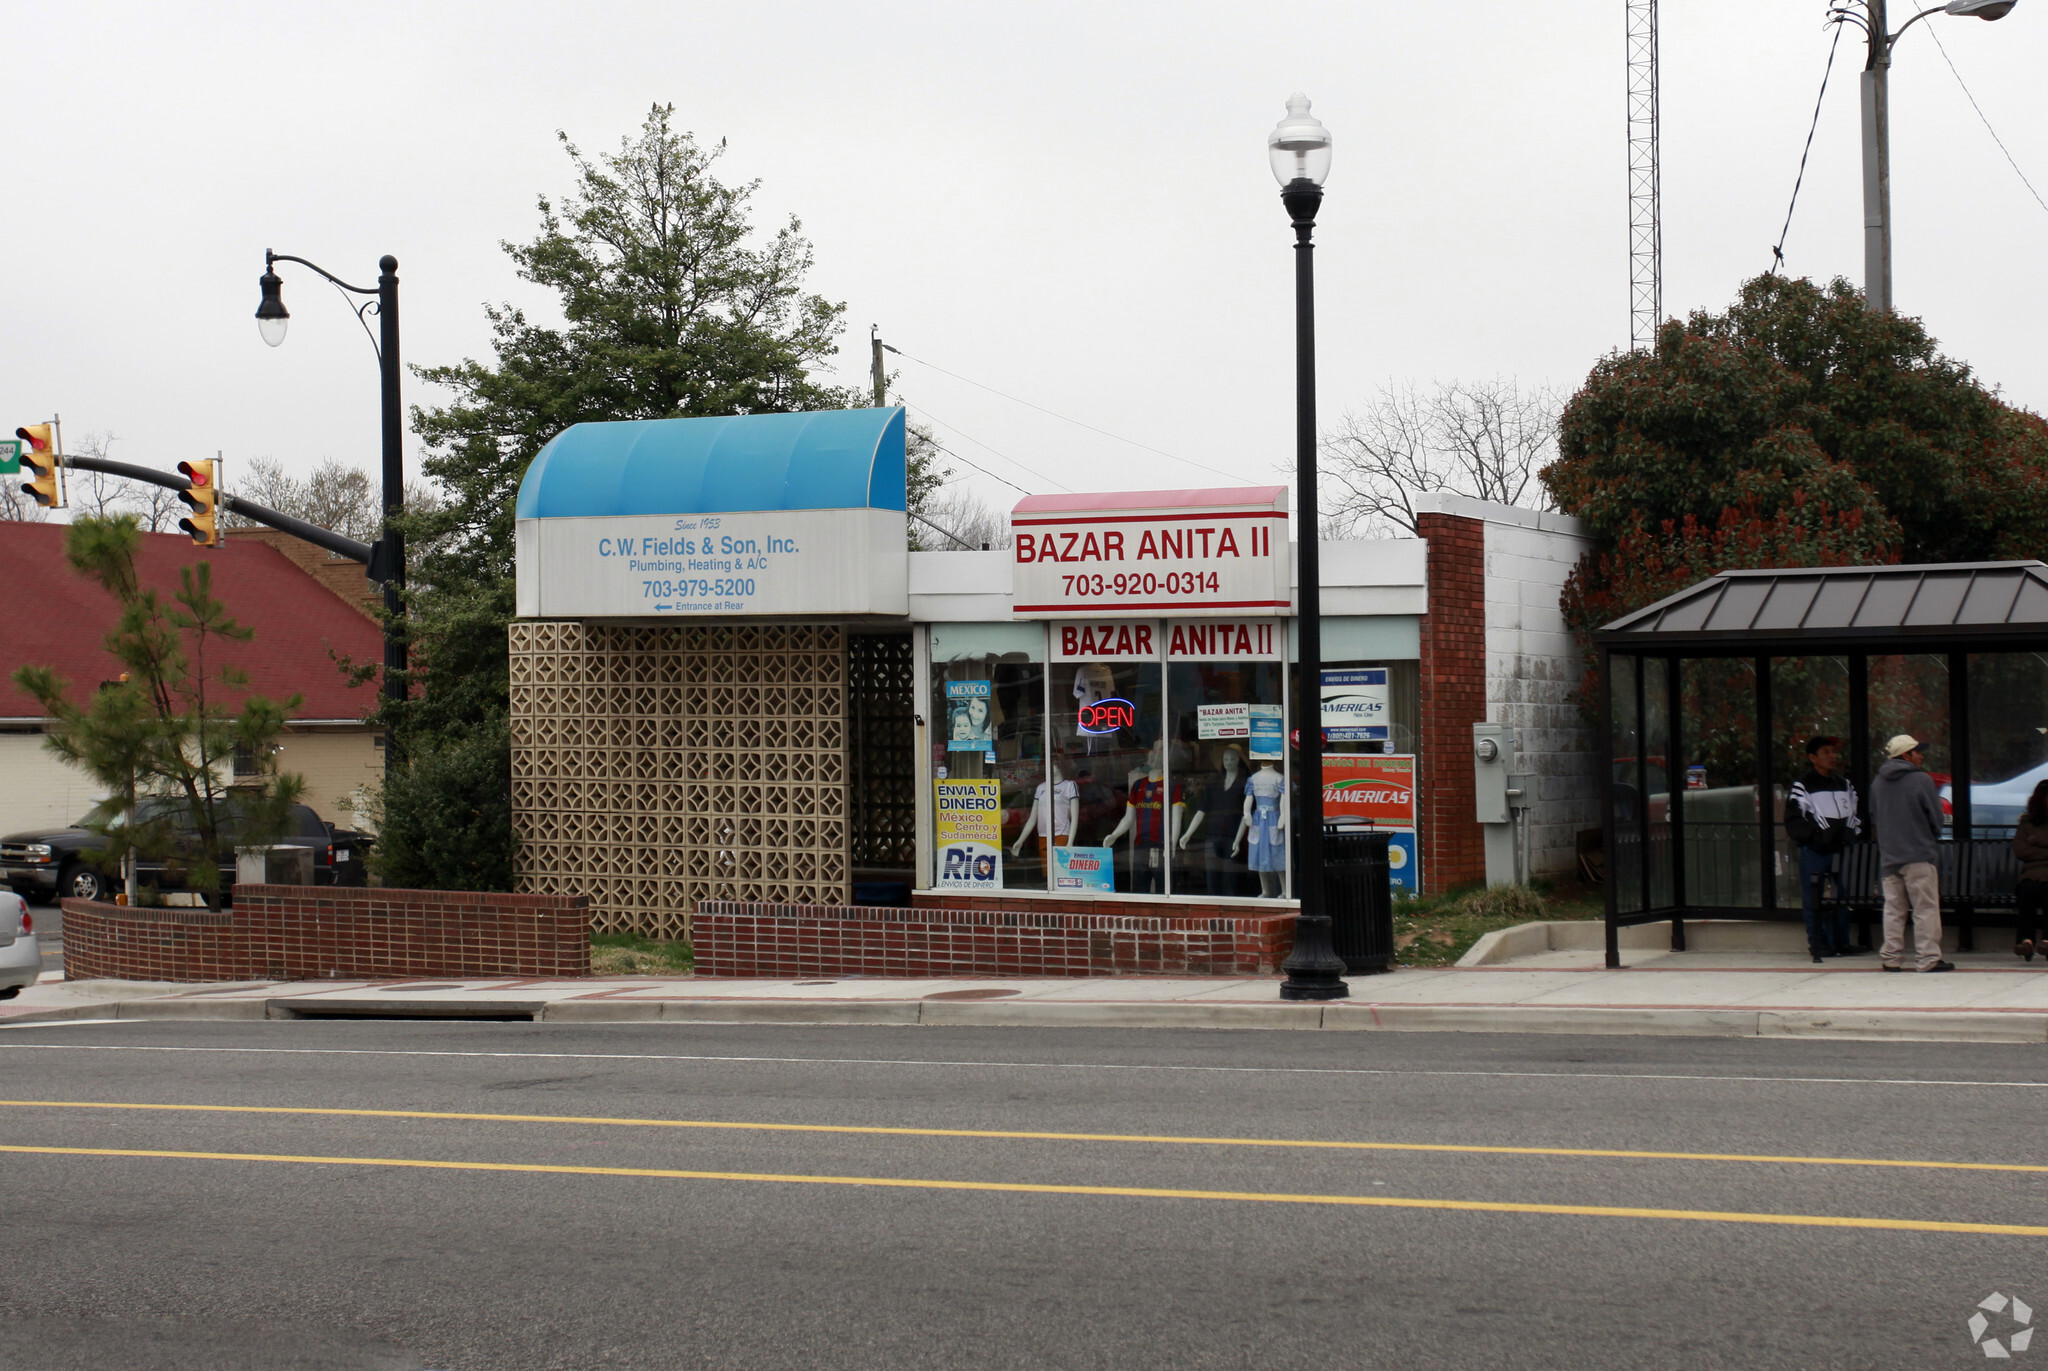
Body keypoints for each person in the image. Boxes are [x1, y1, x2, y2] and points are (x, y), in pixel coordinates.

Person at [1870, 734, 1952, 973]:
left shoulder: (1877, 783)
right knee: (1924, 908)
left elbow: (1875, 816)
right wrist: (1931, 835)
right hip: (1918, 854)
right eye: (1917, 751)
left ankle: (1891, 958)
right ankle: (1928, 959)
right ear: (1906, 755)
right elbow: (1935, 818)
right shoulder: (1921, 780)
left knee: (1893, 909)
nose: (1921, 755)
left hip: (1889, 857)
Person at [1784, 735, 1867, 962]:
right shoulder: (1803, 785)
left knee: (1843, 898)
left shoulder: (1844, 784)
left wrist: (1851, 835)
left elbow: (1856, 813)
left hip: (1842, 851)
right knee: (1814, 899)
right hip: (1815, 852)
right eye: (1826, 752)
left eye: (1833, 751)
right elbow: (1794, 819)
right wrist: (1817, 837)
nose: (1833, 756)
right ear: (1813, 757)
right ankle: (1819, 945)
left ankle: (1842, 943)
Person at [2013, 779, 2048, 962]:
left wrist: (2034, 842)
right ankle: (2025, 942)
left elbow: (2028, 849)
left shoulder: (2028, 828)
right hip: (2030, 876)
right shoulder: (2026, 823)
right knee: (2026, 894)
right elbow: (2020, 850)